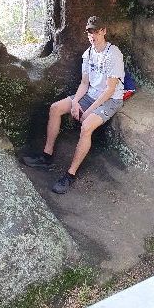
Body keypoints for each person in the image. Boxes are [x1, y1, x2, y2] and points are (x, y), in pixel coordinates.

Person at [23, 16, 125, 194]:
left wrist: (89, 111)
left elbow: (110, 90)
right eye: (90, 32)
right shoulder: (89, 53)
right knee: (55, 108)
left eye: (96, 31)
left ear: (104, 31)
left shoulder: (113, 54)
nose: (93, 35)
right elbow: (84, 83)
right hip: (91, 94)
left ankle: (70, 175)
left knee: (86, 126)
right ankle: (46, 156)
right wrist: (76, 102)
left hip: (110, 100)